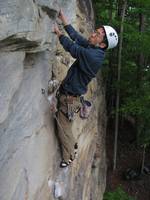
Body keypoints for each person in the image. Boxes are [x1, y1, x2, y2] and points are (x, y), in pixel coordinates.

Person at [53, 10, 118, 167]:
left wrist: (58, 33)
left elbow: (73, 48)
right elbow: (77, 38)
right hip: (71, 95)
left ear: (102, 44)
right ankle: (73, 145)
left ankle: (68, 157)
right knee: (66, 125)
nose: (94, 34)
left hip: (69, 98)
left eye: (98, 34)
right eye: (96, 31)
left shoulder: (93, 56)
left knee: (63, 128)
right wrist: (65, 21)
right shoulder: (94, 49)